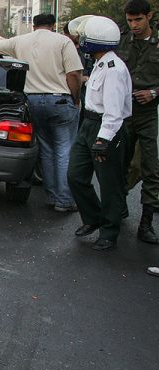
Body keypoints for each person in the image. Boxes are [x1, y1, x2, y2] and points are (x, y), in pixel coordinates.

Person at [0, 14, 83, 212]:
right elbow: (74, 74)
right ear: (53, 25)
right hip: (59, 100)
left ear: (33, 26)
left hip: (31, 101)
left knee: (47, 151)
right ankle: (64, 200)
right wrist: (76, 98)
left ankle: (52, 196)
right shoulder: (63, 41)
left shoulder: (19, 41)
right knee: (64, 150)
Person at [67, 16, 132, 250]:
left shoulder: (113, 69)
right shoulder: (99, 63)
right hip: (88, 124)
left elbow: (114, 112)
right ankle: (93, 218)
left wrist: (103, 139)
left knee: (110, 183)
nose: (81, 39)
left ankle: (109, 231)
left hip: (106, 128)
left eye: (85, 36)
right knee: (75, 175)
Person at [116, 0, 159, 244]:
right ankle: (118, 206)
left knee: (150, 168)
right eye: (130, 20)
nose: (134, 25)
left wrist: (154, 92)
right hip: (123, 112)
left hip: (147, 113)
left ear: (149, 17)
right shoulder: (122, 41)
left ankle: (146, 224)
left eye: (138, 20)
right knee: (120, 164)